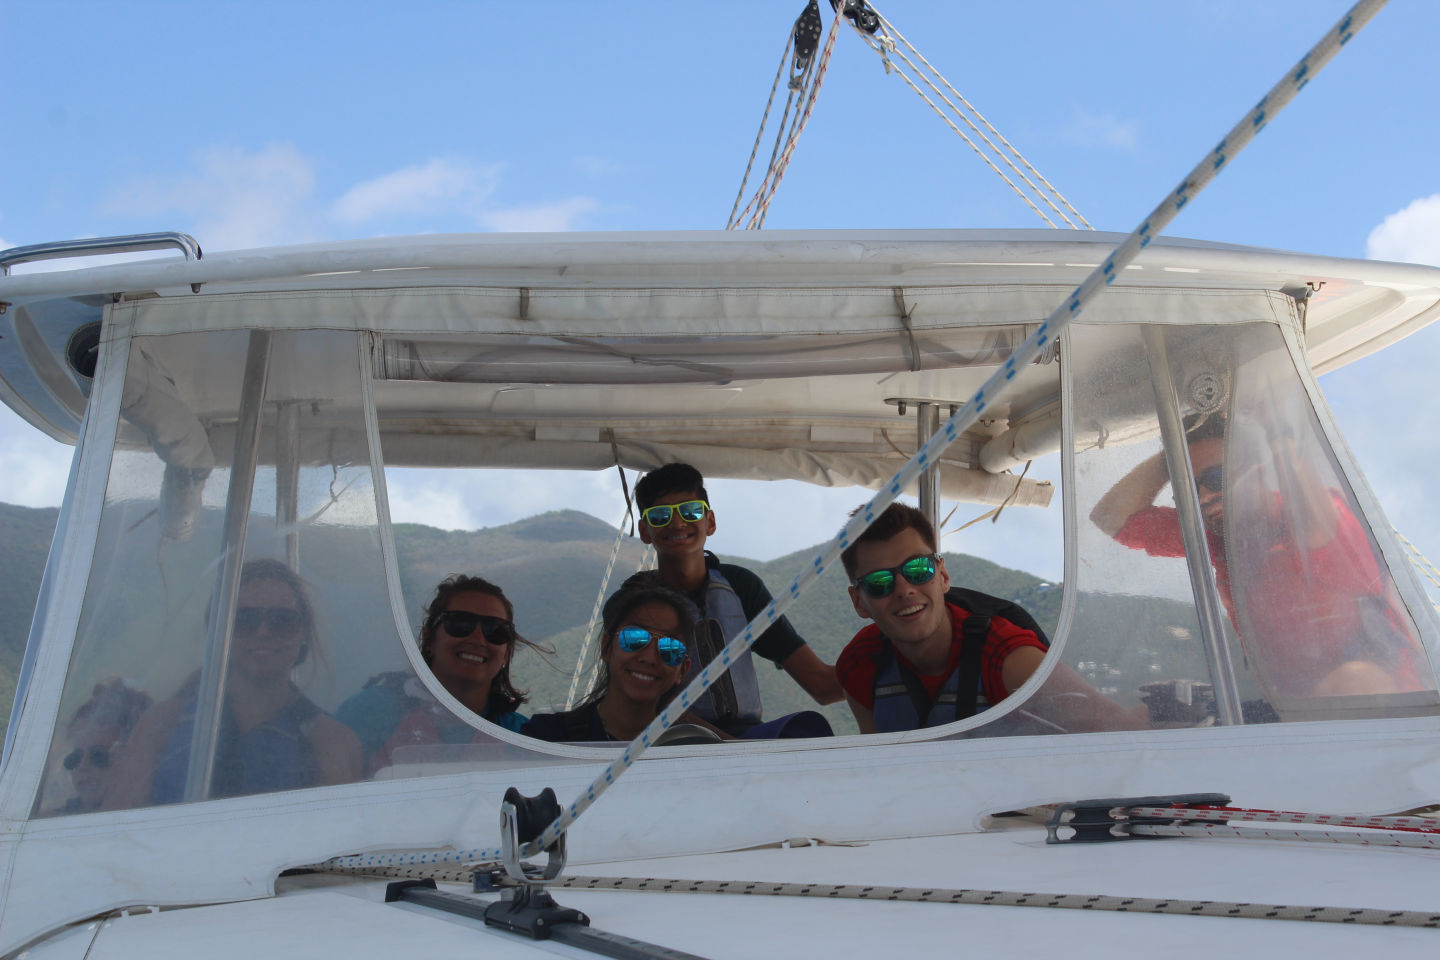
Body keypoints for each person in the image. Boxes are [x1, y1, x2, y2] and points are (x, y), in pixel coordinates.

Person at [1089, 412, 1426, 701]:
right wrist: (1172, 456)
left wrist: (1274, 427)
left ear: (1258, 473)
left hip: (1386, 716)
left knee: (1353, 682)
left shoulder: (1317, 517)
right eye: (1190, 488)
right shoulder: (1216, 534)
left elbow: (1313, 526)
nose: (1203, 497)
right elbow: (1110, 517)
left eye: (1216, 478)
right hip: (1289, 714)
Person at [836, 503, 1147, 734]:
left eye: (918, 570)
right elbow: (876, 770)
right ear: (858, 602)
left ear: (942, 576)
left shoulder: (1008, 658)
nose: (904, 590)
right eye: (879, 583)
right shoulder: (860, 666)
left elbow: (1120, 732)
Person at [110, 559, 362, 807]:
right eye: (244, 619)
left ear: (303, 633)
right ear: (220, 631)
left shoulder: (332, 742)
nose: (263, 632)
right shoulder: (162, 725)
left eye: (282, 620)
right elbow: (119, 822)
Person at [627, 463, 842, 737]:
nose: (677, 523)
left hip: (745, 737)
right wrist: (731, 748)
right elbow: (643, 704)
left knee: (809, 730)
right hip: (670, 742)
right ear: (645, 531)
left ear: (710, 522)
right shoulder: (633, 601)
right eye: (660, 516)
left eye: (691, 512)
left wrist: (883, 659)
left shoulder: (741, 587)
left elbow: (822, 685)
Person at [339, 575, 540, 771]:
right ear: (430, 640)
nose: (478, 639)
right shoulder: (368, 713)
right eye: (460, 624)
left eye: (495, 630)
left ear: (506, 654)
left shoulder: (522, 737)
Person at [521, 582, 697, 742]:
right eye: (634, 638)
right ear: (607, 648)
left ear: (683, 670)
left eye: (670, 648)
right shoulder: (545, 738)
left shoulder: (688, 751)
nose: (650, 658)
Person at [48, 679, 152, 814]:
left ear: (131, 758)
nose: (82, 767)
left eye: (98, 755)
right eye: (75, 757)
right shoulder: (59, 819)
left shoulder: (158, 811)